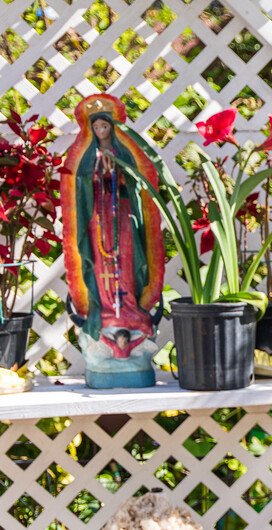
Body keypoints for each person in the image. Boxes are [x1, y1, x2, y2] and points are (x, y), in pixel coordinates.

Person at [60, 93, 165, 387]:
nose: (101, 132)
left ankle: (129, 307)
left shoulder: (124, 153)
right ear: (92, 130)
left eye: (105, 126)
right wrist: (96, 174)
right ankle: (106, 308)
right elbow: (79, 187)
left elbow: (137, 183)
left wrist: (118, 173)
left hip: (123, 218)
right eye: (97, 128)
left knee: (127, 262)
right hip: (98, 220)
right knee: (102, 262)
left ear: (112, 127)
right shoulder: (87, 157)